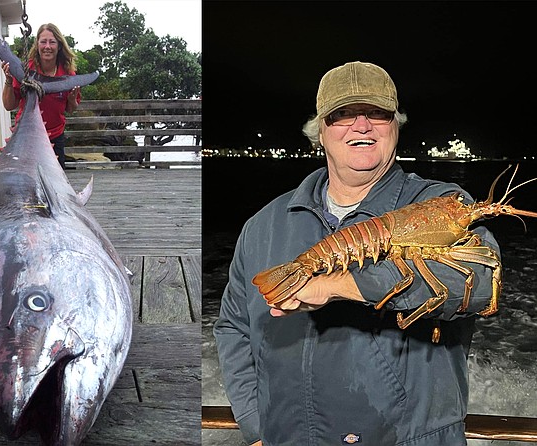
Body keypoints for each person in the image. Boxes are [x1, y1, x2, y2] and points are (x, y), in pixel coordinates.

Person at [213, 61, 500, 446]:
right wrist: (254, 424)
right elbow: (234, 327)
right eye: (343, 115)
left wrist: (341, 285)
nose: (361, 125)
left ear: (396, 126)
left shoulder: (444, 202)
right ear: (319, 131)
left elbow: (481, 283)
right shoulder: (264, 225)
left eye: (378, 114)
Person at [1, 23, 81, 169]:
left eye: (52, 42)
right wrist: (8, 80)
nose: (47, 46)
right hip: (25, 138)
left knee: (55, 184)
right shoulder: (25, 71)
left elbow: (70, 109)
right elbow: (8, 106)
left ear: (59, 45)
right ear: (37, 44)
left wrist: (71, 101)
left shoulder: (68, 75)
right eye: (43, 41)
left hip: (54, 137)